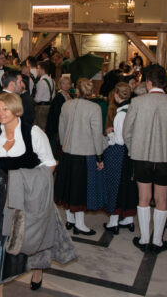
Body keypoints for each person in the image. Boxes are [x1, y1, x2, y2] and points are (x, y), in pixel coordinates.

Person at [0, 92, 76, 297]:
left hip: (28, 194)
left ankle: (37, 270)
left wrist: (29, 185)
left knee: (31, 234)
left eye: (5, 108)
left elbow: (50, 164)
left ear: (16, 109)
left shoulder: (33, 133)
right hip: (0, 194)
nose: (1, 113)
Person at [123, 64, 167, 254]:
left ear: (149, 83)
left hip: (141, 155)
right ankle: (157, 241)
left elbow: (127, 132)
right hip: (166, 157)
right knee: (161, 199)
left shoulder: (138, 102)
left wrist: (134, 148)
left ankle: (144, 239)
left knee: (144, 197)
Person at [54, 78, 104, 235]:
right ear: (90, 91)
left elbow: (61, 129)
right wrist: (100, 156)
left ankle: (70, 219)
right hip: (85, 153)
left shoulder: (66, 105)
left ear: (77, 90)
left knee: (69, 186)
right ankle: (80, 225)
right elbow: (97, 134)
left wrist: (64, 145)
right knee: (80, 189)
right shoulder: (94, 108)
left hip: (68, 151)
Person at [103, 82, 138, 234]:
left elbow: (119, 140)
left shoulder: (120, 114)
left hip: (118, 154)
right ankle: (128, 219)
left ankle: (113, 221)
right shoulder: (133, 109)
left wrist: (109, 133)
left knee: (114, 185)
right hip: (131, 154)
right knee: (127, 186)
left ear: (117, 95)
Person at [0, 70, 34, 141]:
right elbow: (26, 128)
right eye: (20, 82)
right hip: (12, 145)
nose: (22, 85)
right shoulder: (21, 102)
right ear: (12, 84)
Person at [45, 75, 72, 159]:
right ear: (60, 85)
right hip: (58, 125)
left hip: (67, 124)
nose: (66, 85)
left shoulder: (70, 96)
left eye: (68, 83)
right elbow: (56, 115)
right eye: (64, 83)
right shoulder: (58, 97)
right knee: (56, 147)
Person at [34, 61, 55, 130]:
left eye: (37, 68)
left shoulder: (41, 82)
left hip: (41, 108)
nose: (36, 70)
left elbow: (38, 99)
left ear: (42, 70)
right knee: (47, 128)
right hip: (50, 107)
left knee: (40, 129)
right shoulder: (52, 81)